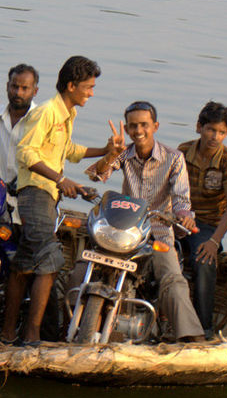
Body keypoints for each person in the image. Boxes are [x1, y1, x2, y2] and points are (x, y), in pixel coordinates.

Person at [0, 55, 123, 345]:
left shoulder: (67, 115)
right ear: (71, 86)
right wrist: (60, 179)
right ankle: (31, 335)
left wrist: (104, 150)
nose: (91, 93)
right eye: (88, 87)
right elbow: (26, 154)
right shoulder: (46, 112)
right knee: (52, 260)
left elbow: (68, 150)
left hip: (46, 196)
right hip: (34, 194)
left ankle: (7, 333)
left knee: (23, 266)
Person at [86, 101, 206, 342]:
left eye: (144, 125)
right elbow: (97, 175)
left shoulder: (174, 158)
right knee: (86, 266)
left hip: (158, 230)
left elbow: (182, 199)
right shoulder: (124, 154)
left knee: (173, 279)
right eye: (132, 126)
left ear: (155, 126)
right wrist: (111, 153)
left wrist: (184, 216)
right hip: (125, 229)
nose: (138, 131)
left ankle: (192, 337)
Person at [177, 101, 227, 334]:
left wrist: (214, 242)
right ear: (199, 128)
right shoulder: (183, 152)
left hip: (207, 225)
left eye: (221, 132)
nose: (215, 136)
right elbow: (169, 189)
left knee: (204, 261)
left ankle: (204, 328)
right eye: (210, 130)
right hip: (178, 218)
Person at [0, 63, 39, 187]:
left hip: (30, 193)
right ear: (7, 86)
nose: (18, 93)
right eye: (14, 87)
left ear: (35, 91)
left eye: (24, 88)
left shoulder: (41, 120)